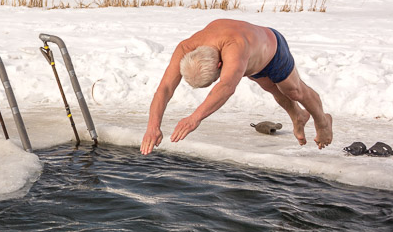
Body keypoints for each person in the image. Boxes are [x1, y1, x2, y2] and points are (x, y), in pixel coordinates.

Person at [140, 19, 332, 155]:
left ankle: (323, 121)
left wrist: (194, 118)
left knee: (293, 90)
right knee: (272, 88)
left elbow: (225, 87)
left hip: (272, 50)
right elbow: (165, 88)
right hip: (252, 59)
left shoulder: (234, 48)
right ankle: (298, 116)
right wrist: (152, 126)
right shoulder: (186, 48)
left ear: (219, 66)